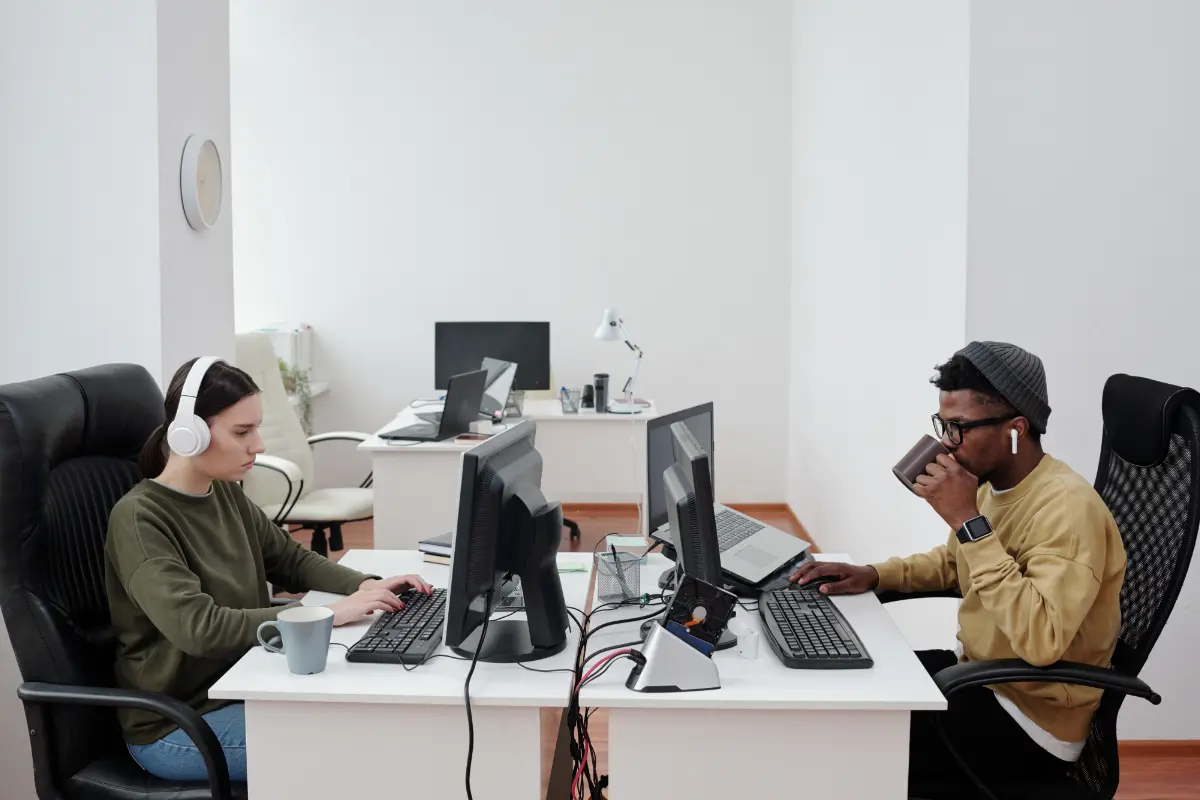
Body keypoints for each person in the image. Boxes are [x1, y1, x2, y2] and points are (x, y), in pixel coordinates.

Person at [790, 341, 1126, 797]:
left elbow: (1042, 640)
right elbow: (955, 563)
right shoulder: (994, 484)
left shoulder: (1066, 511)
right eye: (942, 425)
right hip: (981, 682)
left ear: (1015, 429)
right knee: (844, 697)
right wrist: (874, 574)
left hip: (1027, 724)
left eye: (959, 428)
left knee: (847, 751)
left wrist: (968, 521)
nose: (947, 442)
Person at [105, 357, 433, 783]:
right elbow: (199, 628)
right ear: (189, 434)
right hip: (180, 726)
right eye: (242, 432)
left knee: (381, 720)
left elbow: (290, 560)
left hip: (245, 685)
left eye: (256, 429)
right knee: (358, 747)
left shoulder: (224, 493)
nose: (258, 445)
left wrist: (367, 585)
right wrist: (330, 614)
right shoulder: (141, 519)